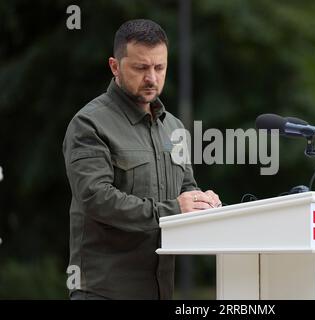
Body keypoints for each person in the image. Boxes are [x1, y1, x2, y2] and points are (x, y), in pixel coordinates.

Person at [63, 19, 221, 300]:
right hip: (102, 292)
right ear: (115, 66)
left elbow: (186, 189)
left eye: (159, 68)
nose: (152, 78)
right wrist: (174, 209)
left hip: (160, 291)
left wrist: (203, 203)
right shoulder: (89, 124)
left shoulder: (174, 128)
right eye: (140, 68)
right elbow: (95, 199)